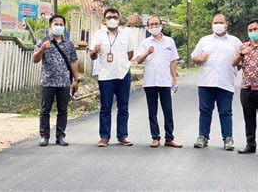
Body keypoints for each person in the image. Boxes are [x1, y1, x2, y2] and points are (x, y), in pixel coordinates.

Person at [191, 13, 242, 151]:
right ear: (212, 24)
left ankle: (228, 138)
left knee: (225, 112)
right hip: (206, 82)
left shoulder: (235, 42)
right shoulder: (204, 40)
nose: (218, 25)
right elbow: (194, 57)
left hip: (225, 82)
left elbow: (241, 61)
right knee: (205, 111)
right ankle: (203, 137)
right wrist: (200, 58)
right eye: (215, 22)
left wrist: (233, 69)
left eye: (220, 22)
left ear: (227, 24)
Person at [90, 8, 135, 147]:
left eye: (115, 17)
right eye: (109, 17)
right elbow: (92, 55)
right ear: (104, 20)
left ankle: (122, 136)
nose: (112, 19)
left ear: (119, 18)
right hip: (106, 76)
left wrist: (121, 63)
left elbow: (130, 53)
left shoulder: (126, 35)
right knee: (106, 107)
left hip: (123, 75)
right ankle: (104, 137)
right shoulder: (98, 35)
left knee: (123, 107)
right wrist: (95, 51)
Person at [135, 16, 182, 148]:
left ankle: (169, 137)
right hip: (150, 81)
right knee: (152, 111)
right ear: (148, 27)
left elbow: (173, 61)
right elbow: (138, 60)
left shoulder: (169, 42)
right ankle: (155, 137)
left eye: (156, 24)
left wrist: (174, 78)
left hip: (165, 81)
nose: (154, 27)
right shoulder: (145, 43)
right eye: (151, 25)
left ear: (161, 25)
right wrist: (147, 52)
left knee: (168, 110)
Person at [32, 14, 79, 147]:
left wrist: (76, 79)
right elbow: (35, 59)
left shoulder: (68, 44)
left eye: (61, 24)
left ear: (64, 27)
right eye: (55, 24)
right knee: (45, 110)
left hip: (64, 82)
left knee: (63, 110)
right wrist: (42, 49)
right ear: (50, 26)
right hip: (48, 81)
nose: (58, 26)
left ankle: (60, 136)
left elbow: (73, 62)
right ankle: (44, 136)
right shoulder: (43, 42)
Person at [231, 18, 258, 157]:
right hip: (246, 87)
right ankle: (250, 144)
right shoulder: (243, 46)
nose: (253, 32)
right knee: (248, 118)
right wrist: (242, 53)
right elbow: (234, 63)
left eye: (255, 29)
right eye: (250, 30)